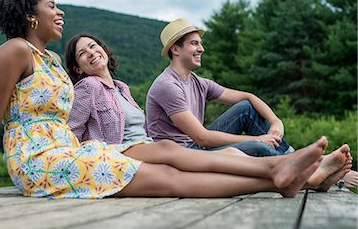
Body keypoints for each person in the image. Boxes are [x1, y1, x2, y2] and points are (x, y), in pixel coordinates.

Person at [0, 0, 347, 200]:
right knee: (165, 177)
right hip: (37, 161)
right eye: (51, 5)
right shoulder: (13, 51)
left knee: (166, 159)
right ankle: (280, 174)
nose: (60, 11)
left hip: (68, 153)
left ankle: (286, 172)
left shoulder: (52, 61)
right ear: (29, 15)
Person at [65, 33, 352, 193]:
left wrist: (275, 124)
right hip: (152, 151)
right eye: (82, 53)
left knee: (242, 125)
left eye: (93, 46)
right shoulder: (89, 87)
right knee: (250, 145)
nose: (91, 52)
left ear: (103, 49)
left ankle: (297, 169)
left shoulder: (122, 88)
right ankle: (309, 174)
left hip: (152, 149)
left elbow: (247, 98)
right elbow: (72, 132)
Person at [146, 17, 357, 188]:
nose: (202, 49)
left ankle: (312, 168)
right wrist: (261, 138)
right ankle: (314, 171)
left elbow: (248, 98)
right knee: (256, 145)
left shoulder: (198, 83)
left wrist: (275, 122)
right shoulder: (167, 85)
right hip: (181, 157)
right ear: (175, 49)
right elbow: (203, 137)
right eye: (194, 43)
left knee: (247, 110)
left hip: (196, 147)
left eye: (200, 43)